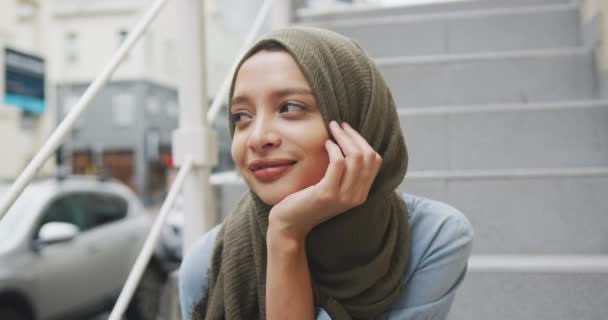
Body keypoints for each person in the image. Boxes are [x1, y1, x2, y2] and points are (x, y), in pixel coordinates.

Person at [179, 27, 473, 320]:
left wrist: (285, 233)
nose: (257, 138)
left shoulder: (431, 237)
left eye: (290, 107)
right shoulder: (207, 264)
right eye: (241, 117)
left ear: (356, 120)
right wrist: (286, 234)